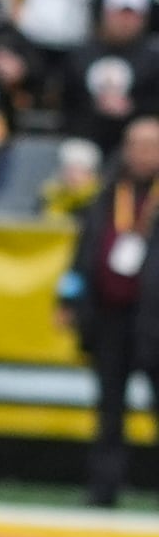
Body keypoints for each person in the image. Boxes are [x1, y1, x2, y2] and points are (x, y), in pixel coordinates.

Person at [57, 113, 159, 506]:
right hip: (110, 317)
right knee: (109, 407)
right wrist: (68, 299)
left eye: (150, 146)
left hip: (153, 319)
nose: (141, 154)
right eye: (135, 145)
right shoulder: (108, 192)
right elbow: (83, 252)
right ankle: (104, 488)